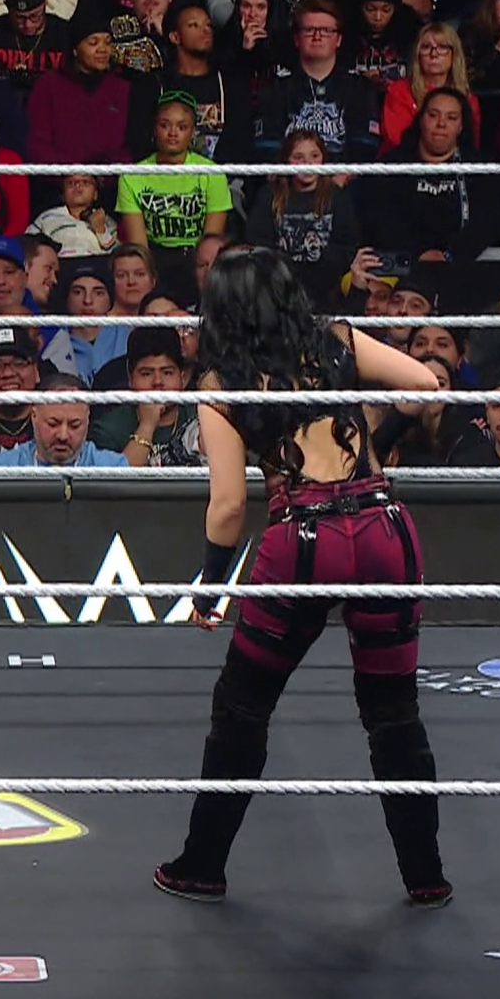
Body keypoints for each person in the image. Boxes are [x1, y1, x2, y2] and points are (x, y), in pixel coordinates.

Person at [154, 246, 452, 909]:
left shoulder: (222, 384)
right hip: (383, 528)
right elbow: (426, 385)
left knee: (242, 706)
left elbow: (228, 507)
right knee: (393, 711)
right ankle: (425, 876)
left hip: (304, 539)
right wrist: (370, 443)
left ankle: (202, 865)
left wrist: (210, 588)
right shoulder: (336, 340)